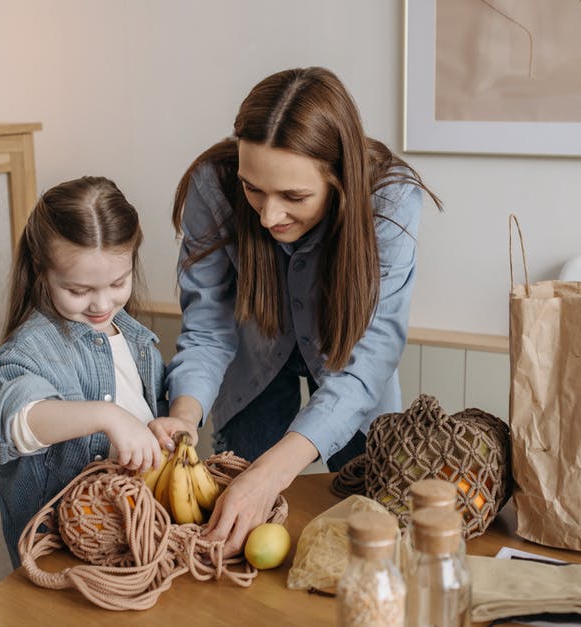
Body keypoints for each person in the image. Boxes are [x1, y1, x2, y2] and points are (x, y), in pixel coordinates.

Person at [163, 67, 440, 556]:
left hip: (351, 381)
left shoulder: (391, 201)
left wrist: (273, 472)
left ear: (339, 179)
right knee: (236, 522)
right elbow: (208, 329)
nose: (268, 216)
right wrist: (185, 415)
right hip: (251, 369)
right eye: (253, 189)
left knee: (370, 538)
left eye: (294, 197)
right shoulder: (212, 186)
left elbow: (369, 360)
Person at [0, 176, 185, 567]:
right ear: (42, 270)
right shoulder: (32, 350)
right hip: (63, 558)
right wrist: (109, 417)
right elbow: (19, 421)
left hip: (137, 540)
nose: (102, 303)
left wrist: (152, 430)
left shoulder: (138, 342)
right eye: (78, 290)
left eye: (117, 283)